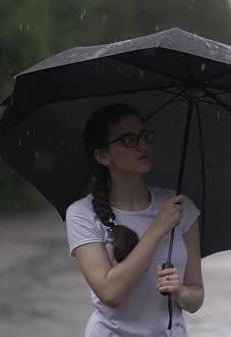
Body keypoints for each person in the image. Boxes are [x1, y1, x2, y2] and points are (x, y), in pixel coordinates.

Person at [66, 104, 204, 336]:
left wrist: (180, 291)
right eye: (129, 140)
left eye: (144, 136)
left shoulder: (179, 207)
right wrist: (157, 228)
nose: (143, 145)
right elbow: (111, 293)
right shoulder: (81, 214)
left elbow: (197, 296)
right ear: (102, 156)